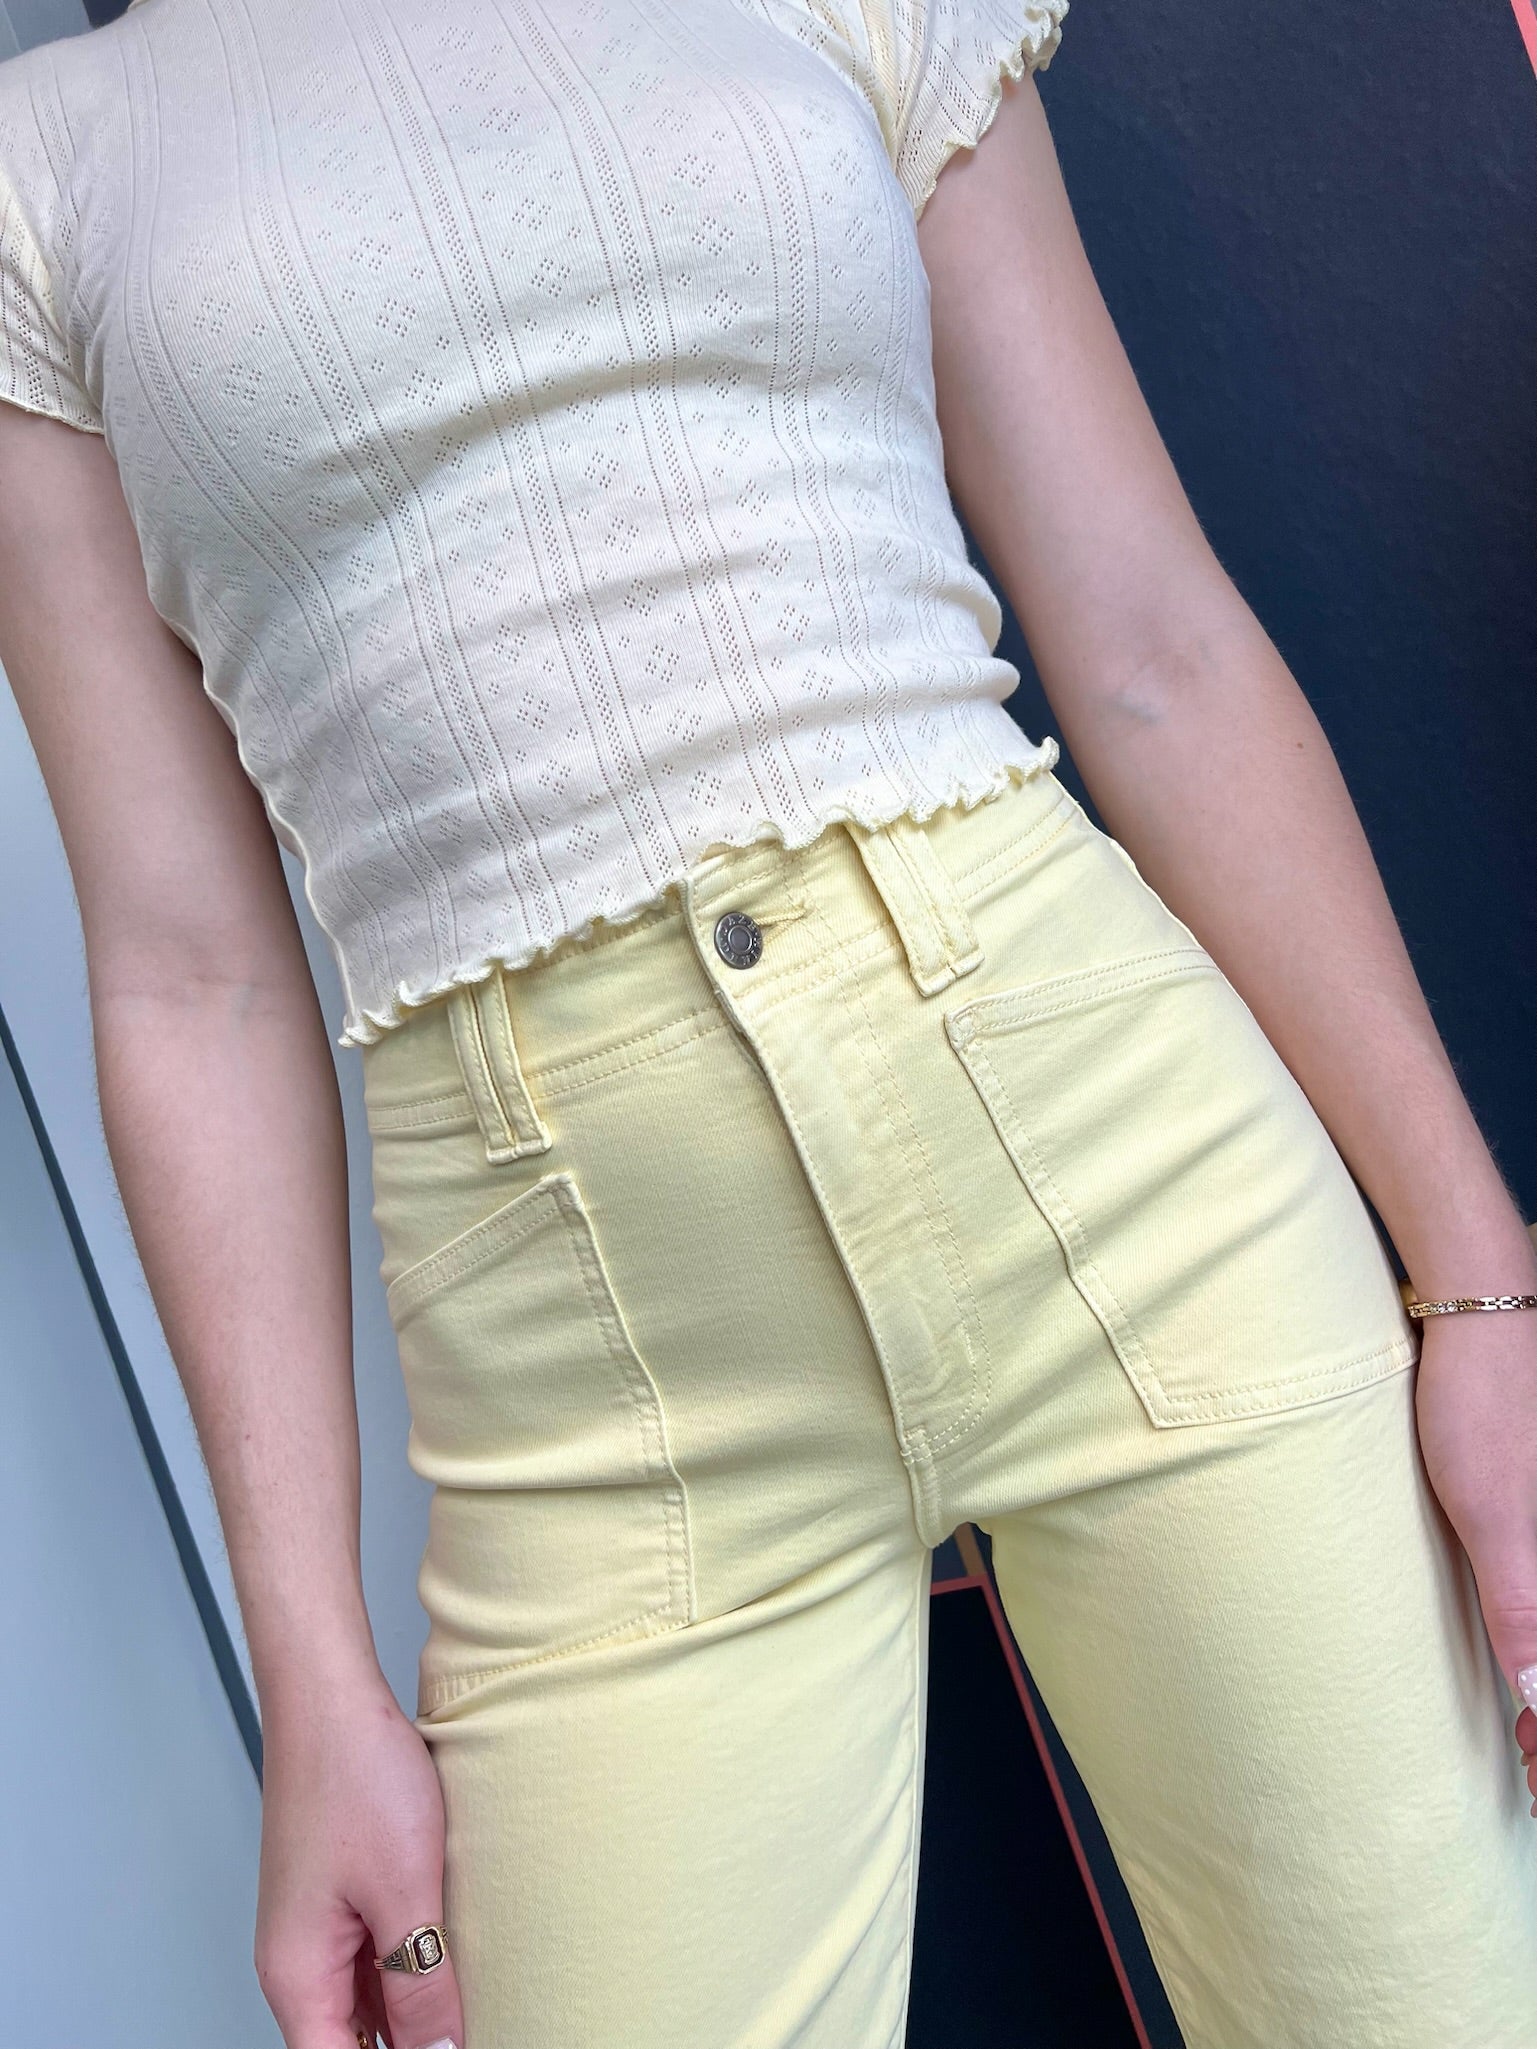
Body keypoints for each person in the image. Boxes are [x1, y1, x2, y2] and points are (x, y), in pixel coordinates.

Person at [1, 0, 1533, 2044]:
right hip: (593, 1384)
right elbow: (186, 964)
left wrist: (1481, 1290)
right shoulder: (42, 176)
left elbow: (1153, 643)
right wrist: (316, 1679)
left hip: (1131, 1170)